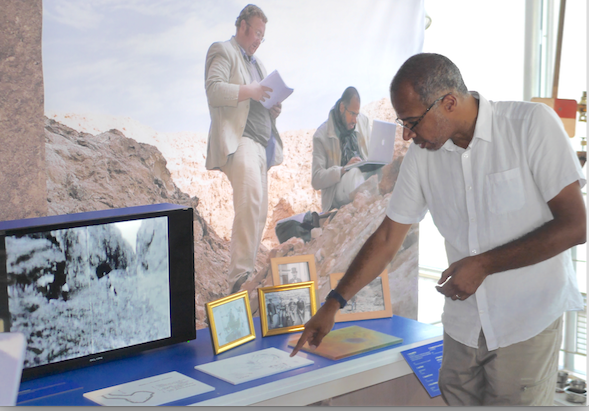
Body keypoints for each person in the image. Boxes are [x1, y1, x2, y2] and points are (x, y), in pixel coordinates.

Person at [292, 53, 586, 406]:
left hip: (526, 322)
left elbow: (574, 226)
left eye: (412, 121)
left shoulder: (529, 125)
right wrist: (333, 304)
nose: (406, 133)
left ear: (448, 102)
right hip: (463, 326)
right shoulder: (422, 154)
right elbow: (388, 238)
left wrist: (483, 264)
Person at [205, 4, 283, 293]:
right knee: (249, 202)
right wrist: (250, 91)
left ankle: (245, 277)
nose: (258, 40)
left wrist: (273, 108)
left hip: (262, 144)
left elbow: (261, 100)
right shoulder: (223, 51)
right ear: (242, 26)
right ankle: (238, 278)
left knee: (259, 211)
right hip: (242, 141)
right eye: (257, 33)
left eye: (263, 36)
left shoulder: (258, 63)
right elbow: (214, 90)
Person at [311, 87, 373, 212]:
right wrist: (343, 170)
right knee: (354, 173)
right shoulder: (321, 135)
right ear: (342, 108)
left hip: (363, 178)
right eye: (352, 114)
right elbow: (316, 179)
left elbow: (371, 155)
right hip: (337, 191)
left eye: (357, 114)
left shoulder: (363, 122)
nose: (355, 120)